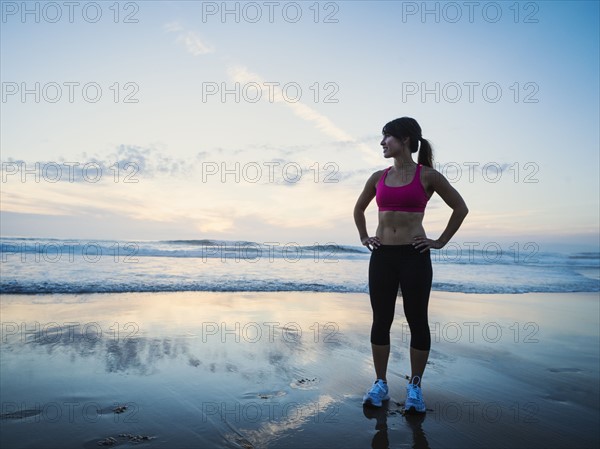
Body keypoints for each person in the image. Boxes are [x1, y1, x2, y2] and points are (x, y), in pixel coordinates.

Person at [353, 117, 468, 413]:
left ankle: (415, 387)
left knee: (417, 320)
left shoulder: (427, 175)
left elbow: (460, 207)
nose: (382, 143)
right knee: (381, 319)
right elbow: (358, 208)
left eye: (386, 137)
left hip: (414, 256)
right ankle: (380, 383)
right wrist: (365, 236)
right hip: (382, 257)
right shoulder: (378, 177)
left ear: (404, 139)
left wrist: (439, 241)